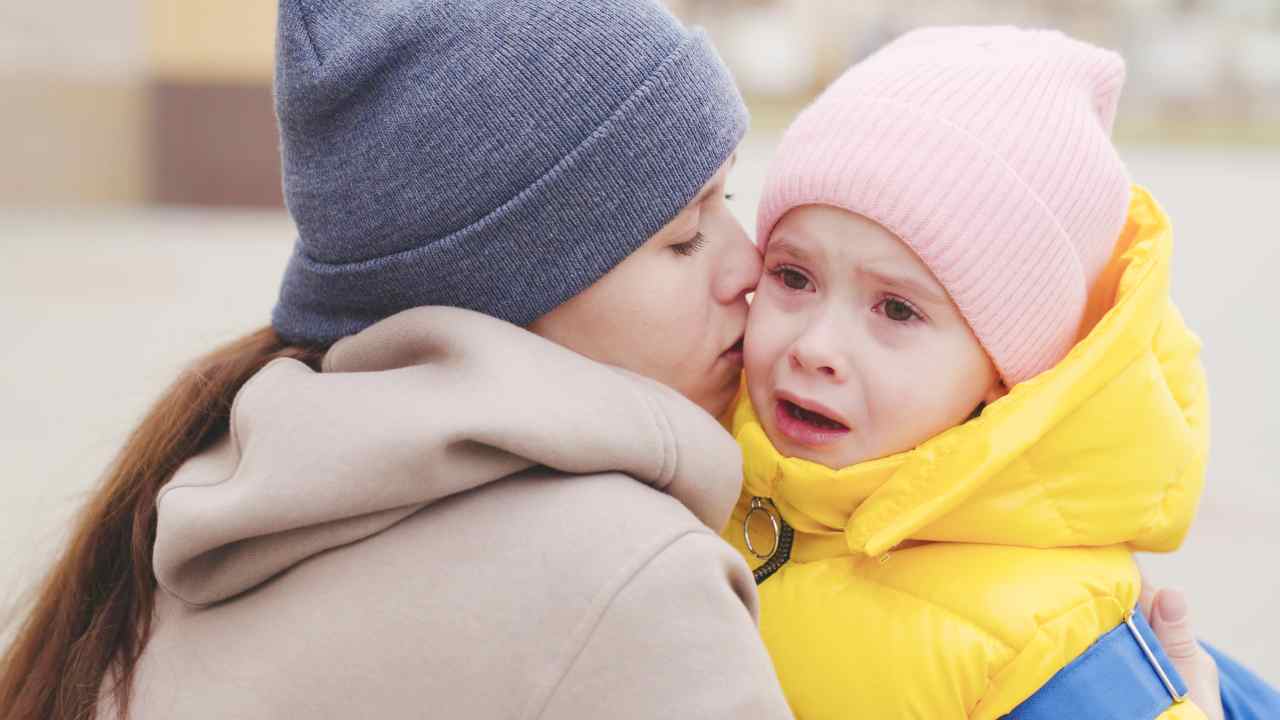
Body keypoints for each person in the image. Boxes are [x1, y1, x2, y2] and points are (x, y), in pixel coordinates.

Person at [0, 5, 1228, 720]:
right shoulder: (627, 578)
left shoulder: (220, 485)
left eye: (731, 205)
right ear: (511, 289)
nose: (749, 272)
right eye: (683, 234)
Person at [718, 26, 1276, 719]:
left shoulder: (1047, 641)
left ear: (1004, 372)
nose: (815, 345)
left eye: (895, 309)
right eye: (793, 275)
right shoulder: (702, 462)